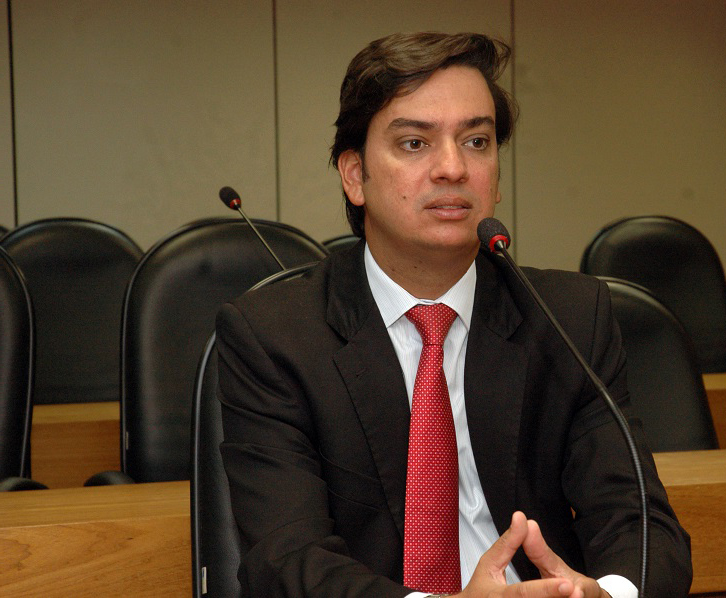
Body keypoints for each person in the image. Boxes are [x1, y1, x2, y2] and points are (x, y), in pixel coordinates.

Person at [216, 32, 692, 598]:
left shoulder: (568, 319)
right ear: (354, 175)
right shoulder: (275, 336)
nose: (453, 167)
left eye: (477, 141)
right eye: (415, 143)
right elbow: (286, 560)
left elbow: (641, 525)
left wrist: (602, 595)